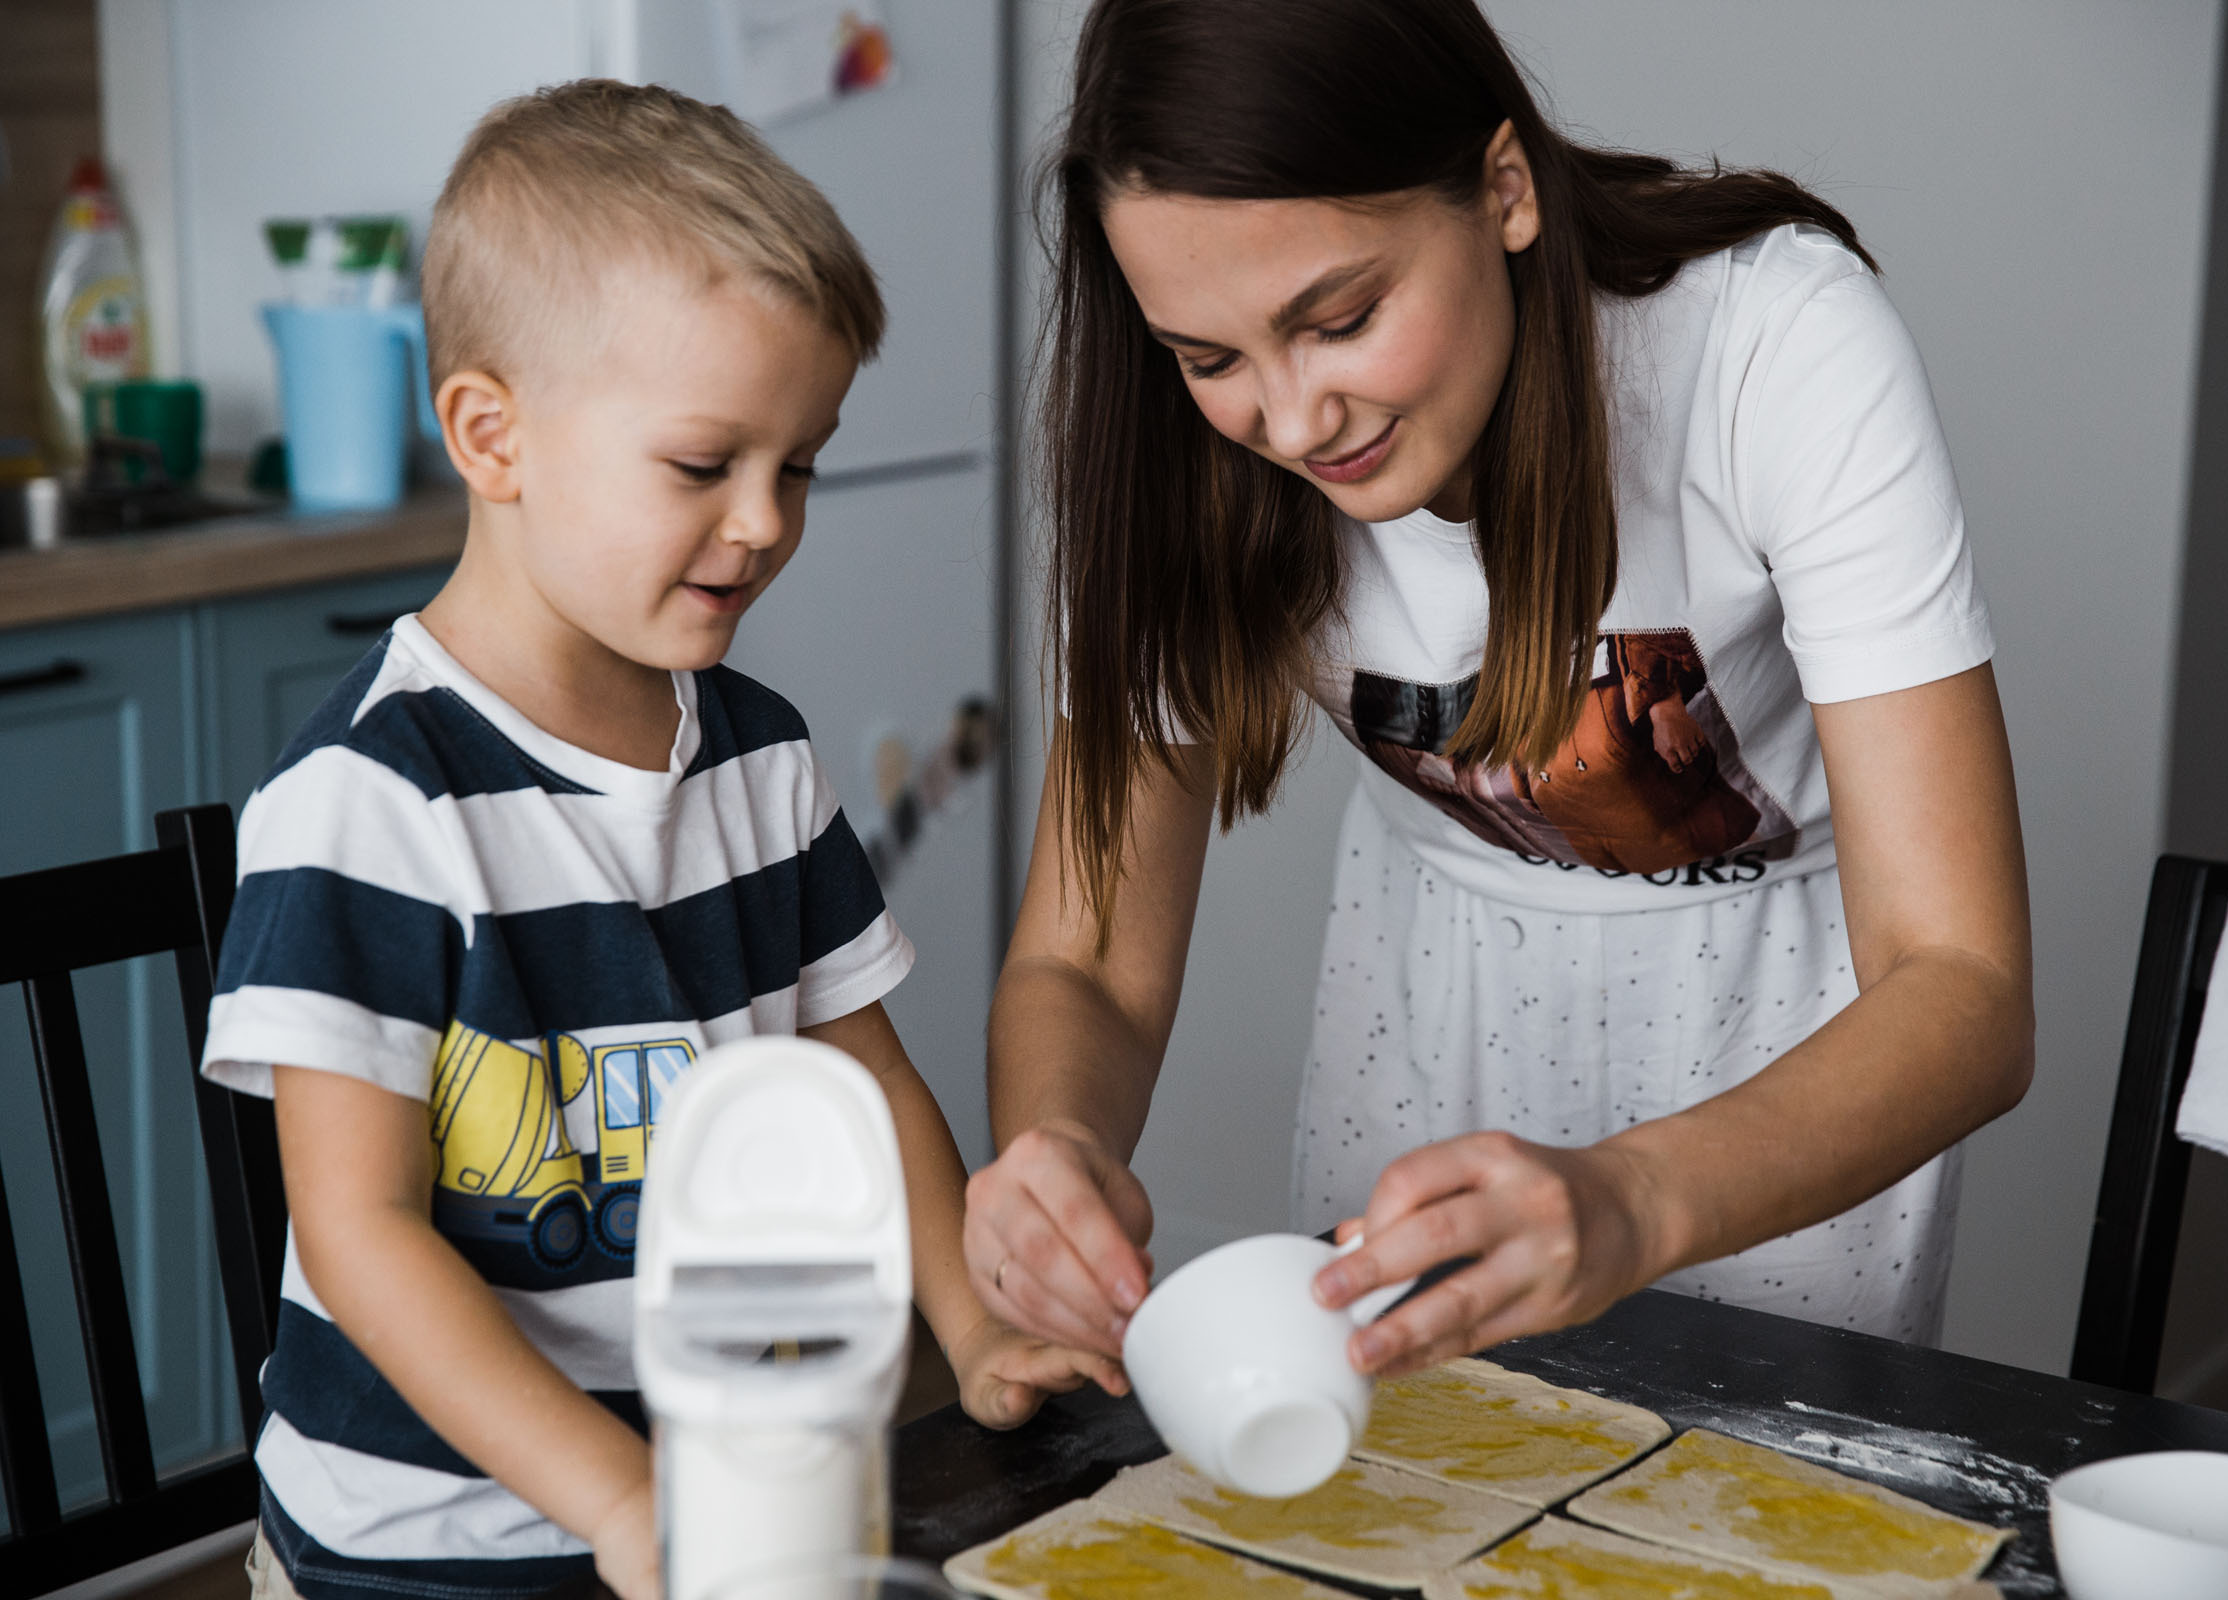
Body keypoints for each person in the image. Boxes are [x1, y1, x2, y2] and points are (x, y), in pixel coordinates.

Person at [965, 0, 2034, 1388]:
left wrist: (1632, 1196)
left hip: (1786, 1044)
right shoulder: (1171, 444)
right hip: (1426, 1009)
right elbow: (1087, 960)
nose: (1292, 423)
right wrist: (1059, 1153)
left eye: (1340, 319)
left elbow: (1961, 980)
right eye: (1210, 358)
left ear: (1506, 189)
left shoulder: (1775, 343)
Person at [197, 81, 1118, 1600]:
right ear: (492, 436)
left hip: (719, 1499)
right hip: (430, 1550)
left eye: (798, 464)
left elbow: (864, 1080)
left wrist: (973, 1328)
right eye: (704, 466)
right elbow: (358, 1236)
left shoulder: (759, 760)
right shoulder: (373, 802)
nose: (763, 522)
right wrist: (617, 1498)